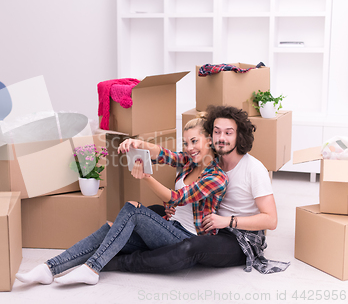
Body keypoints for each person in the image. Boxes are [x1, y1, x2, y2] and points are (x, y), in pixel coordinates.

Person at [15, 114, 227, 286]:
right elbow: (163, 154)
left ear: (209, 140)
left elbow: (177, 197)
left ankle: (92, 268)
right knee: (111, 226)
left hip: (186, 239)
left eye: (194, 141)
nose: (190, 147)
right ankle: (49, 268)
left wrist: (146, 177)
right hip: (170, 226)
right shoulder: (189, 163)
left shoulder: (216, 177)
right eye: (186, 142)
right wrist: (137, 143)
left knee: (132, 209)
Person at [103, 105, 290, 274]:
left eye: (228, 133)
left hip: (238, 236)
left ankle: (122, 262)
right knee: (152, 211)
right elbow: (168, 156)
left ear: (239, 135)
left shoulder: (254, 169)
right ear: (210, 136)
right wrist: (138, 144)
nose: (221, 138)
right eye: (217, 132)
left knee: (191, 247)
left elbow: (271, 220)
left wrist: (228, 221)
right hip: (209, 224)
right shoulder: (211, 160)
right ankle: (114, 246)